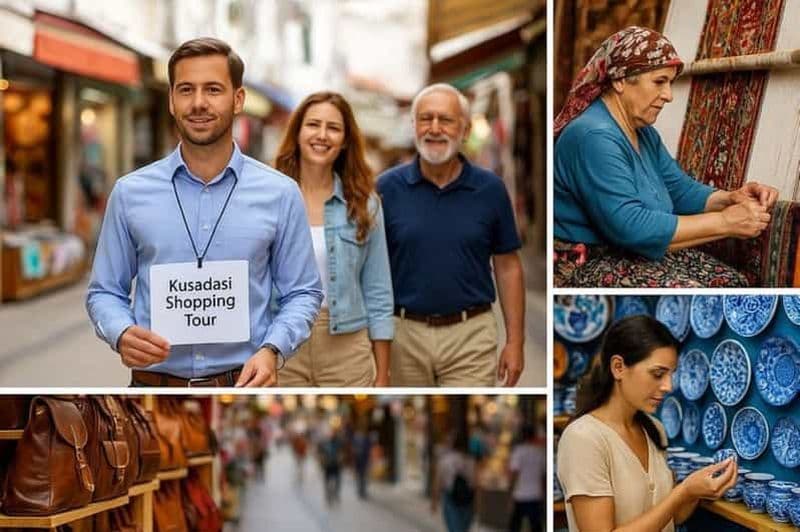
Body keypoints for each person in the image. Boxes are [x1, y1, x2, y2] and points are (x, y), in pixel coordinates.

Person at [86, 38, 322, 387]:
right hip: (153, 391)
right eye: (185, 90)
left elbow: (303, 292)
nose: (198, 103)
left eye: (213, 89)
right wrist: (120, 332)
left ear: (238, 99)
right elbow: (104, 291)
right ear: (171, 100)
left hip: (242, 387)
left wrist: (273, 349)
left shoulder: (280, 193)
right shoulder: (129, 192)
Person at [554, 26, 779, 288]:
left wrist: (729, 198)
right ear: (620, 80)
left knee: (732, 282)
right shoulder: (592, 136)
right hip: (588, 265)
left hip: (627, 255)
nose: (669, 96)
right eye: (659, 82)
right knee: (694, 290)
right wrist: (726, 222)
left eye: (670, 83)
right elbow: (630, 226)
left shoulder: (643, 133)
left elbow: (678, 190)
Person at [377, 83, 525, 387]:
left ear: (466, 128)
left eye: (445, 120)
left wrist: (516, 341)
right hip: (403, 334)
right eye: (425, 119)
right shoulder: (384, 189)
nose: (434, 128)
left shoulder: (491, 189)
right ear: (413, 125)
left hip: (470, 334)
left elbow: (508, 267)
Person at [557, 315, 738, 532]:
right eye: (658, 374)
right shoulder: (583, 438)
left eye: (671, 375)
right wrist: (683, 491)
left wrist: (695, 491)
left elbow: (672, 517)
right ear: (618, 367)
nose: (668, 386)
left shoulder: (654, 429)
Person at [273, 92, 393, 387]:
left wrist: (383, 376)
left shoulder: (365, 204)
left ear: (345, 141)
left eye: (334, 128)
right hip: (280, 341)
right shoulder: (268, 198)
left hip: (347, 346)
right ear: (298, 132)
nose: (322, 135)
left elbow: (378, 292)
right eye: (313, 124)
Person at [432, 431, 477, 532]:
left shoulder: (444, 460)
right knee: (464, 528)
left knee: (454, 528)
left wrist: (434, 502)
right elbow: (475, 484)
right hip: (468, 499)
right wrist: (477, 504)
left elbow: (437, 483)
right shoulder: (471, 460)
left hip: (450, 498)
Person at [508, 424, 545, 532]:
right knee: (536, 526)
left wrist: (510, 491)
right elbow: (543, 476)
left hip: (520, 494)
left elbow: (514, 474)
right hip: (536, 494)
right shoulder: (539, 452)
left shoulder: (518, 452)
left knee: (515, 526)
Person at [318, 426, 345, 506]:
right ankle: (328, 495)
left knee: (337, 480)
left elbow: (342, 452)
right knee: (327, 481)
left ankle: (336, 494)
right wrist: (322, 461)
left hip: (336, 464)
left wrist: (341, 458)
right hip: (327, 465)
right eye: (329, 433)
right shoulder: (323, 442)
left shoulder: (339, 442)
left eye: (332, 433)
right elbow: (320, 453)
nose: (331, 434)